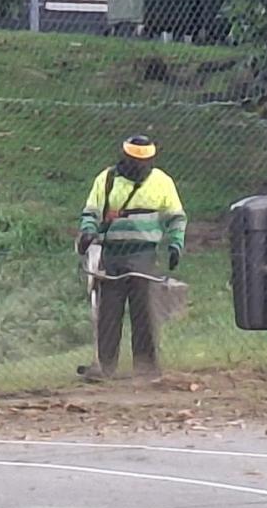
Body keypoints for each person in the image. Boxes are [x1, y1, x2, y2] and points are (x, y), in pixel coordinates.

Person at [76, 135, 186, 380]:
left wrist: (175, 244)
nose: (138, 166)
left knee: (144, 310)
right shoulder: (106, 180)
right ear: (124, 157)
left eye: (143, 161)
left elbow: (175, 217)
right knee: (109, 311)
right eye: (134, 160)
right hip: (111, 253)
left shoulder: (162, 182)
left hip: (143, 254)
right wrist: (88, 232)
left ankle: (146, 367)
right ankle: (104, 366)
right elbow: (92, 211)